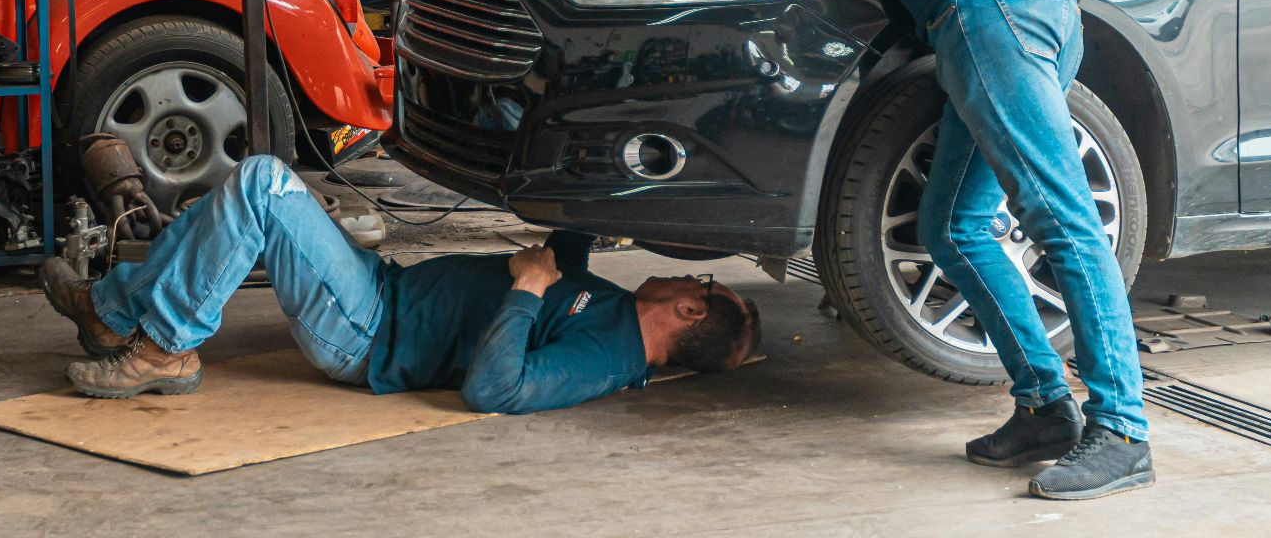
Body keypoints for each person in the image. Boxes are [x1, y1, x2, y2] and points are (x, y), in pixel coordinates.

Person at [775, 0, 1152, 501]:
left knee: (1061, 221)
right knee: (953, 226)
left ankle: (1122, 431)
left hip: (991, 14)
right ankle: (1047, 406)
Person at [39, 155, 760, 414]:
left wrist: (528, 291)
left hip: (367, 335)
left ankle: (166, 346)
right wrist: (583, 202)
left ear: (690, 309)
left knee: (263, 185)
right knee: (227, 209)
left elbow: (496, 391)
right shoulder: (609, 312)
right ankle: (111, 313)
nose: (681, 273)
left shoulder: (605, 361)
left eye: (696, 279)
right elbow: (565, 259)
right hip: (384, 291)